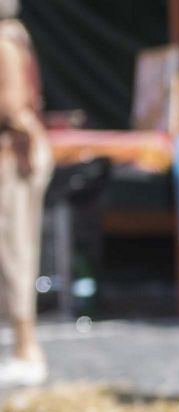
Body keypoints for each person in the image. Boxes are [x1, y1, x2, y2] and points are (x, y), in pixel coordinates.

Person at [0, 0, 53, 387]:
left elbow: (12, 104)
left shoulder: (4, 42)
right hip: (19, 153)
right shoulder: (14, 37)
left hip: (14, 157)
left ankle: (26, 348)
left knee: (14, 249)